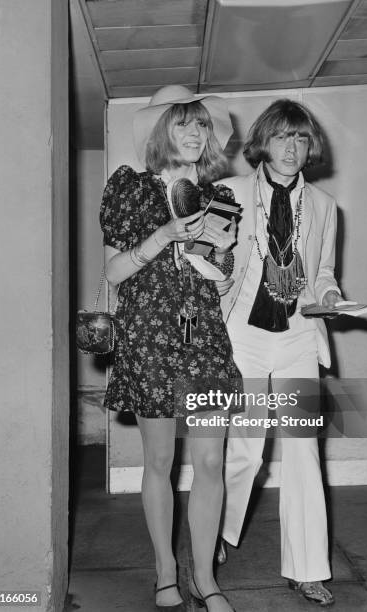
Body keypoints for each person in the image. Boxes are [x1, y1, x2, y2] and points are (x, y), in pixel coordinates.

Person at [99, 85, 240, 612]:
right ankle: (165, 572)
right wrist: (163, 236)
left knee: (209, 462)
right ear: (162, 132)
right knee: (159, 459)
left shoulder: (218, 196)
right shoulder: (128, 189)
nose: (194, 132)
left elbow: (220, 281)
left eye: (201, 124)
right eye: (183, 123)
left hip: (202, 338)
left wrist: (217, 263)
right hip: (149, 336)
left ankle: (206, 579)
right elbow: (113, 273)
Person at [215, 99, 341, 607]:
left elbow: (324, 272)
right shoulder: (230, 193)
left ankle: (308, 567)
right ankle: (217, 534)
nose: (293, 148)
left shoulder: (327, 207)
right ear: (263, 142)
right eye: (284, 137)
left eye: (302, 139)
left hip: (296, 338)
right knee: (245, 446)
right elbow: (208, 265)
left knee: (304, 451)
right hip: (241, 337)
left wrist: (329, 295)